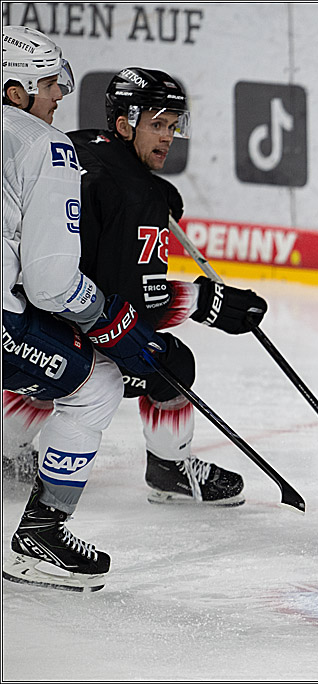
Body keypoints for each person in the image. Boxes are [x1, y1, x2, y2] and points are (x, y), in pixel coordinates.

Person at [2, 66, 268, 505]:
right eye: (157, 125)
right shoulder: (139, 195)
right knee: (171, 365)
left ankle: (8, 449)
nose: (168, 137)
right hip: (58, 313)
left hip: (18, 301)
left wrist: (151, 192)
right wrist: (207, 301)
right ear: (125, 124)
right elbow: (136, 306)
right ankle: (170, 469)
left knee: (51, 356)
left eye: (172, 125)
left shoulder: (79, 140)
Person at [2, 26, 167, 592]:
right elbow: (50, 284)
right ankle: (40, 537)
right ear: (16, 89)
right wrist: (107, 316)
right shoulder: (44, 146)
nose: (58, 97)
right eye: (48, 84)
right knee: (95, 384)